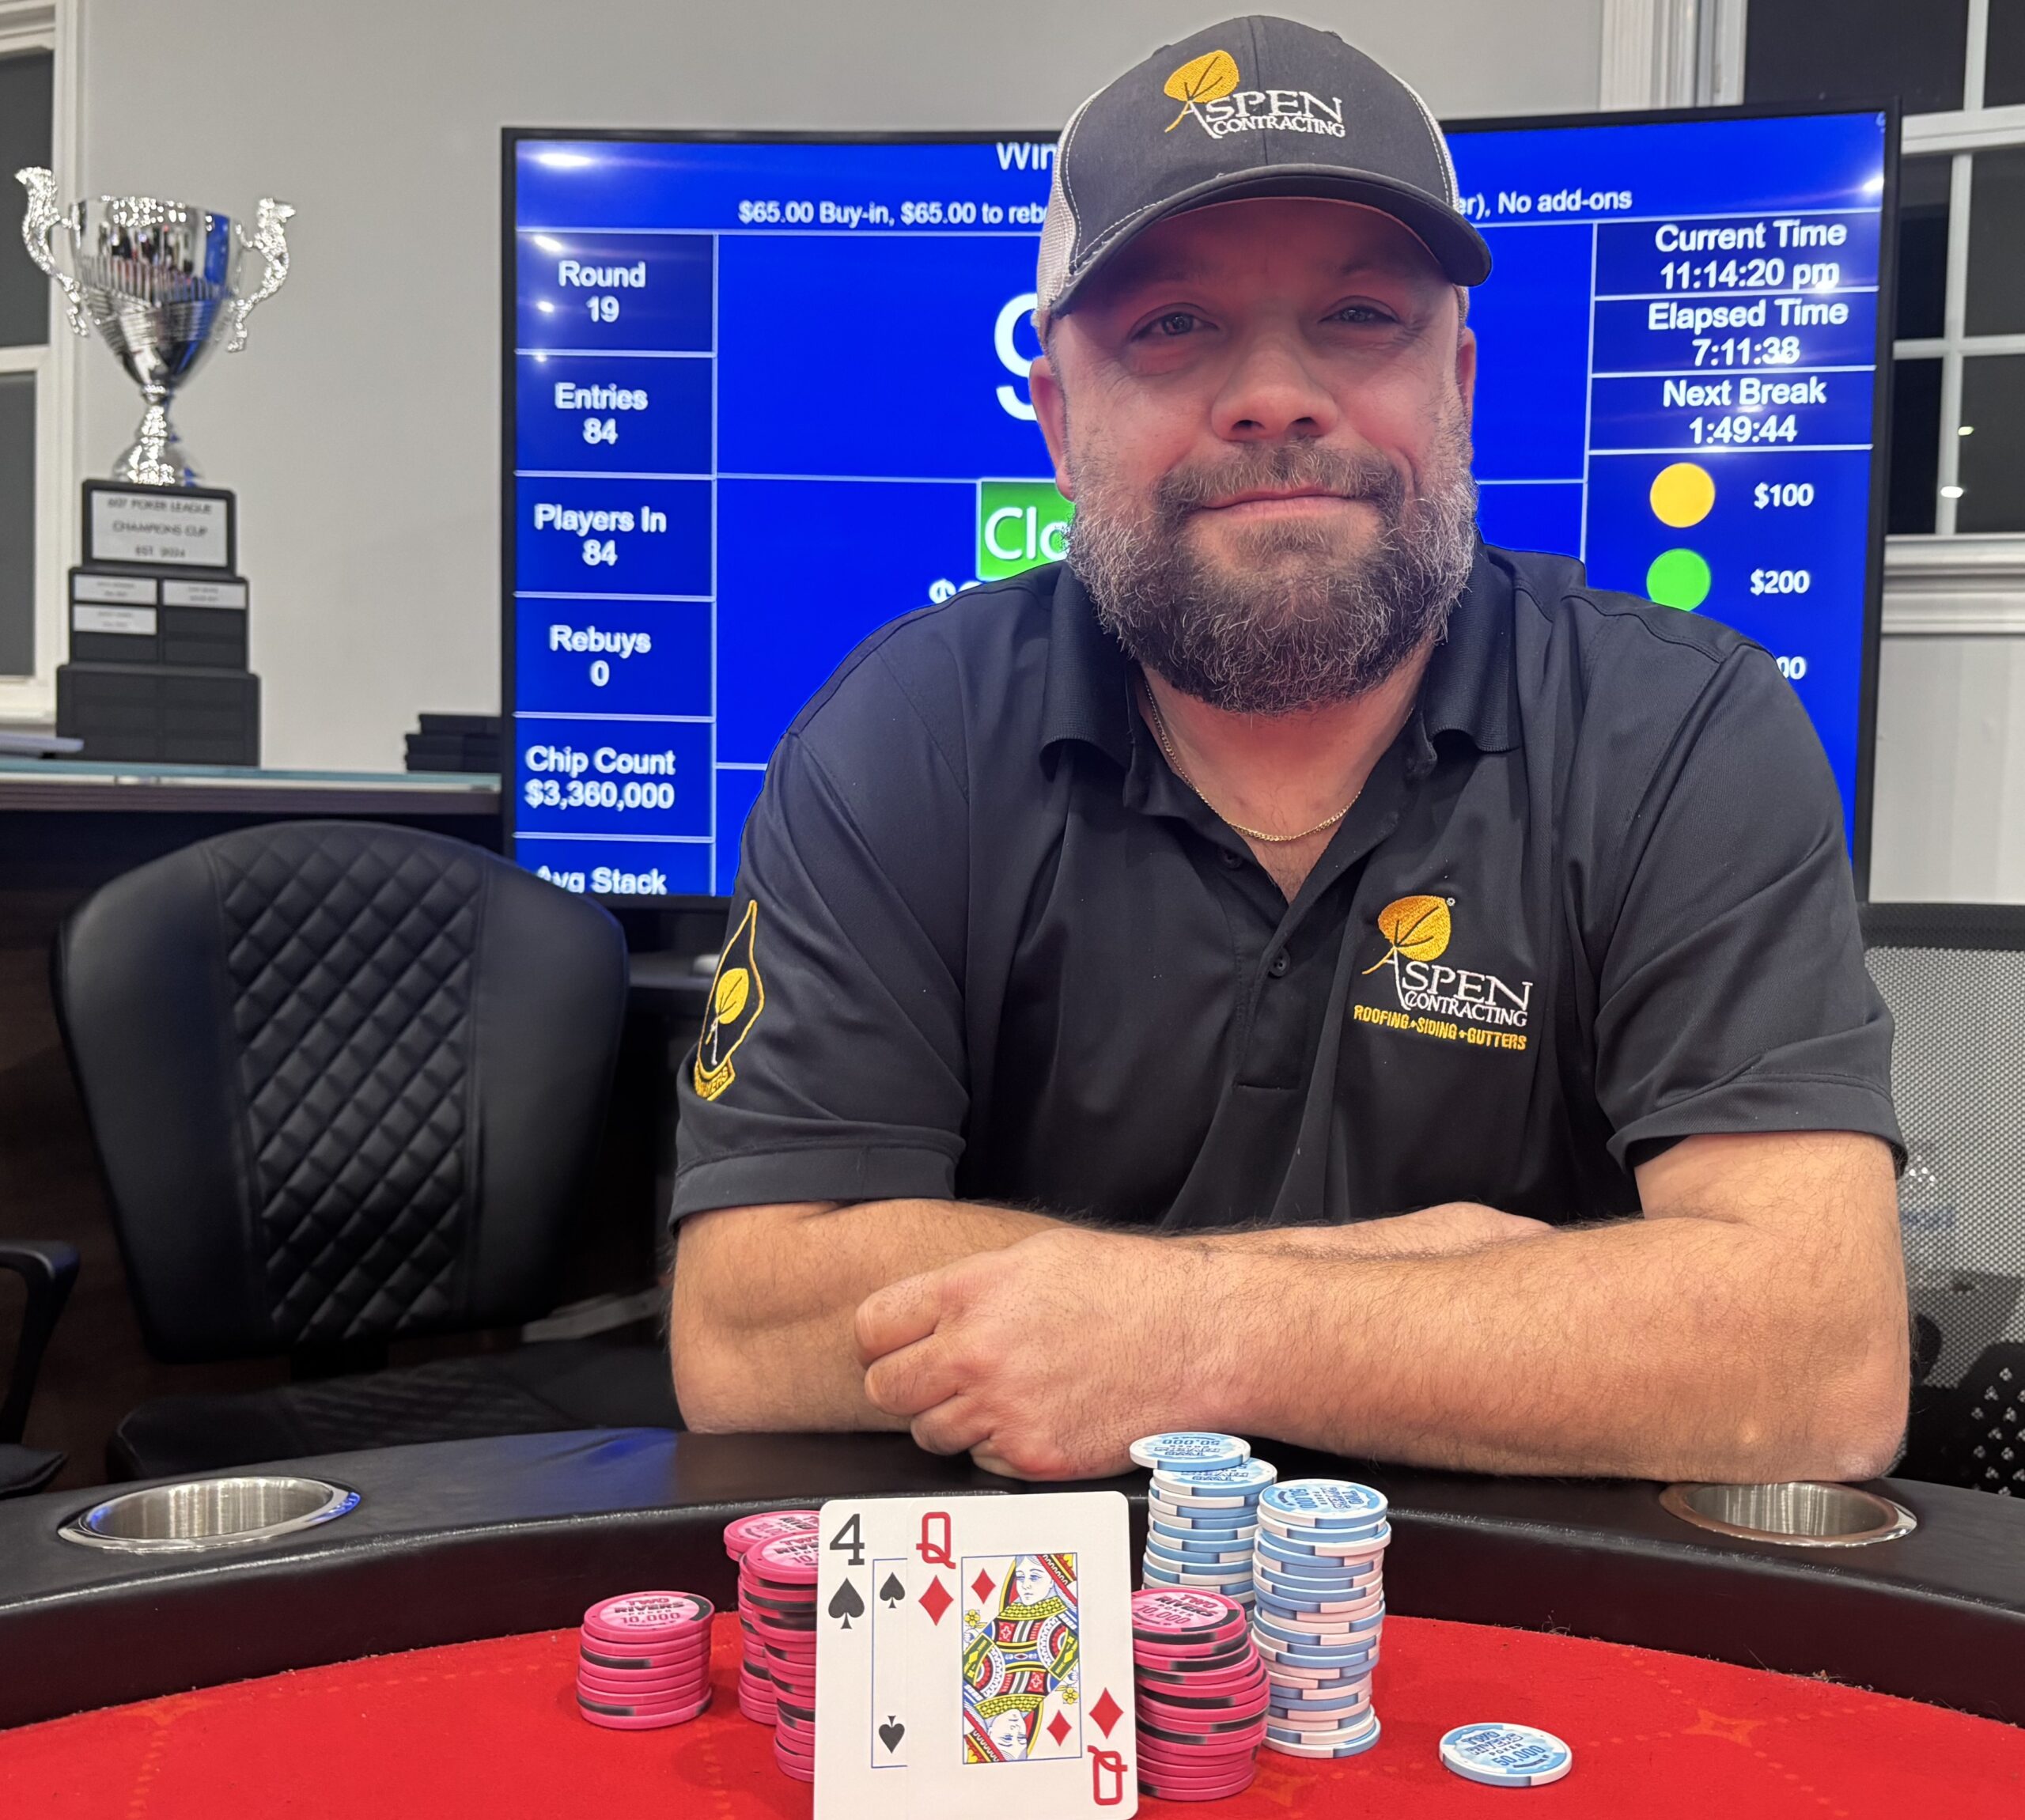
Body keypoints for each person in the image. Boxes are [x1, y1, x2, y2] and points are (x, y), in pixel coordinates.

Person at [668, 16, 1907, 1485]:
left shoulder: (1687, 730)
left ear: (1458, 385)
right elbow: (745, 1326)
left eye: (1361, 315)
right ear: (1058, 420)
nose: (1275, 393)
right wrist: (1432, 1286)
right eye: (1172, 326)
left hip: (1538, 1606)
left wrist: (1189, 1331)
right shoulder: (896, 737)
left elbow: (1820, 1359)